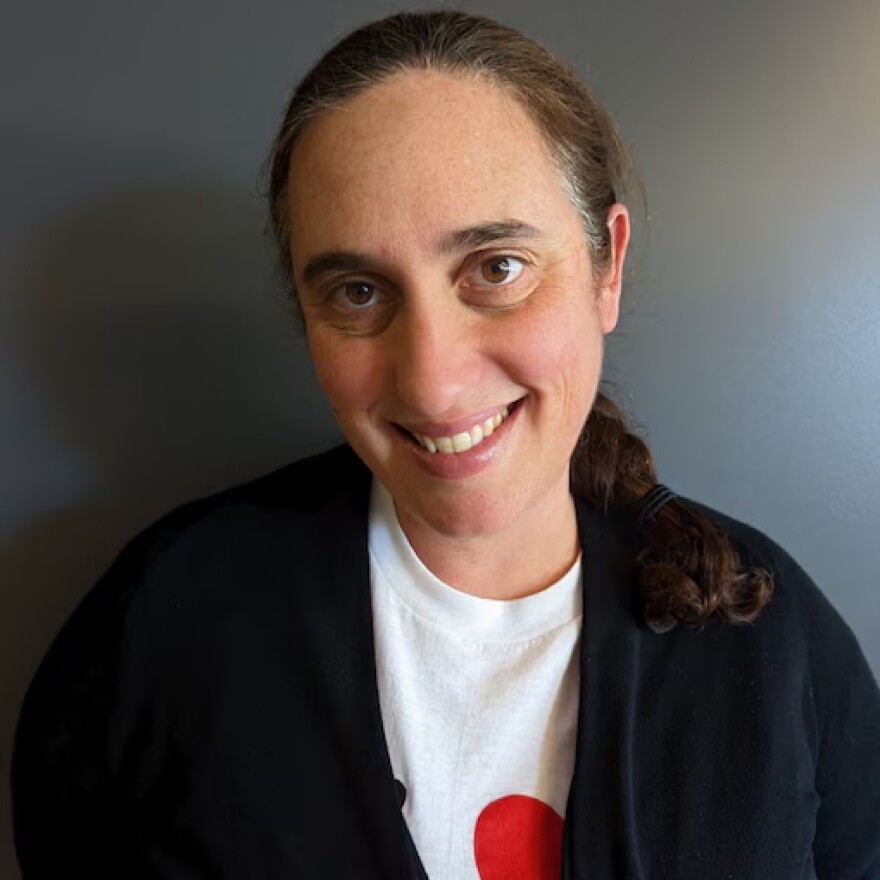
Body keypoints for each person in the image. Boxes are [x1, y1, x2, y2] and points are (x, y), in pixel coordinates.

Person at [12, 10, 880, 879]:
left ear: (605, 268)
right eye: (359, 292)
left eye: (497, 268)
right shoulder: (164, 626)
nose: (432, 383)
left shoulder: (768, 635)